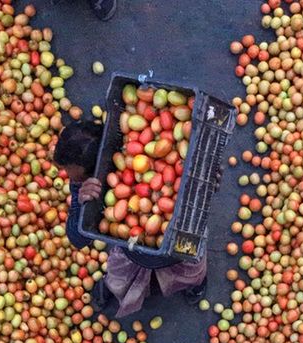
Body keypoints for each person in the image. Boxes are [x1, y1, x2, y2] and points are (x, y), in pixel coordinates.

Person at [55, 120, 207, 318]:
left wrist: (207, 182)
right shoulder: (86, 188)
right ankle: (113, 289)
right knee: (120, 277)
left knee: (190, 270)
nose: (68, 176)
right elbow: (77, 239)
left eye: (72, 173)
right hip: (131, 245)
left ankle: (195, 285)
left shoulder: (120, 158)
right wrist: (80, 200)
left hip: (181, 237)